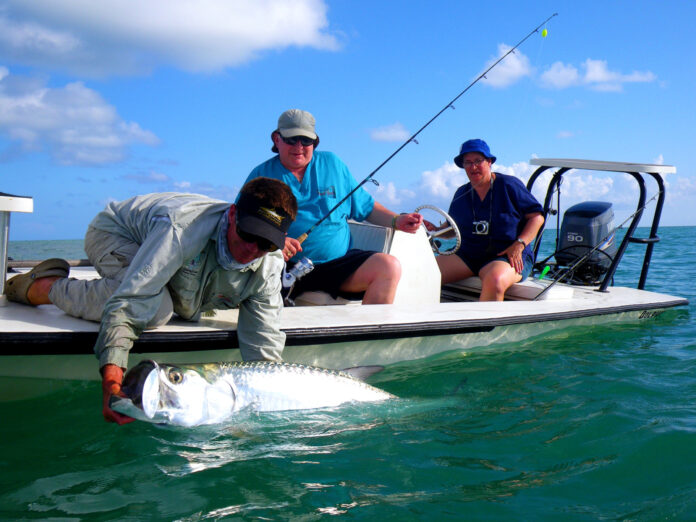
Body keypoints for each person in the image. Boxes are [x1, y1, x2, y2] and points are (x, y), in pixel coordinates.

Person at [5, 178, 297, 424]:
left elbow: (263, 349)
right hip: (115, 233)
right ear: (232, 215)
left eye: (266, 243)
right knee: (156, 309)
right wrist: (111, 379)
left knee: (174, 303)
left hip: (165, 252)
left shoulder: (268, 265)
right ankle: (45, 287)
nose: (252, 248)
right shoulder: (182, 230)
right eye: (248, 234)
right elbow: (130, 303)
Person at [244, 108, 423, 304]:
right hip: (279, 266)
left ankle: (369, 333)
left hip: (335, 265)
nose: (299, 146)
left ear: (315, 142)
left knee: (389, 267)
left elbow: (367, 207)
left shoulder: (333, 164)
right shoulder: (261, 174)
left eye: (306, 141)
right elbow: (243, 220)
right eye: (291, 139)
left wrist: (397, 220)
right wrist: (277, 241)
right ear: (276, 139)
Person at [432, 139, 544, 301]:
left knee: (495, 280)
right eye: (468, 162)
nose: (473, 167)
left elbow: (536, 217)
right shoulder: (461, 193)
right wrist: (434, 231)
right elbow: (452, 229)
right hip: (469, 256)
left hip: (507, 255)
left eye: (478, 161)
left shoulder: (509, 185)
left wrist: (519, 244)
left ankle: (485, 326)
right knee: (426, 272)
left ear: (489, 162)